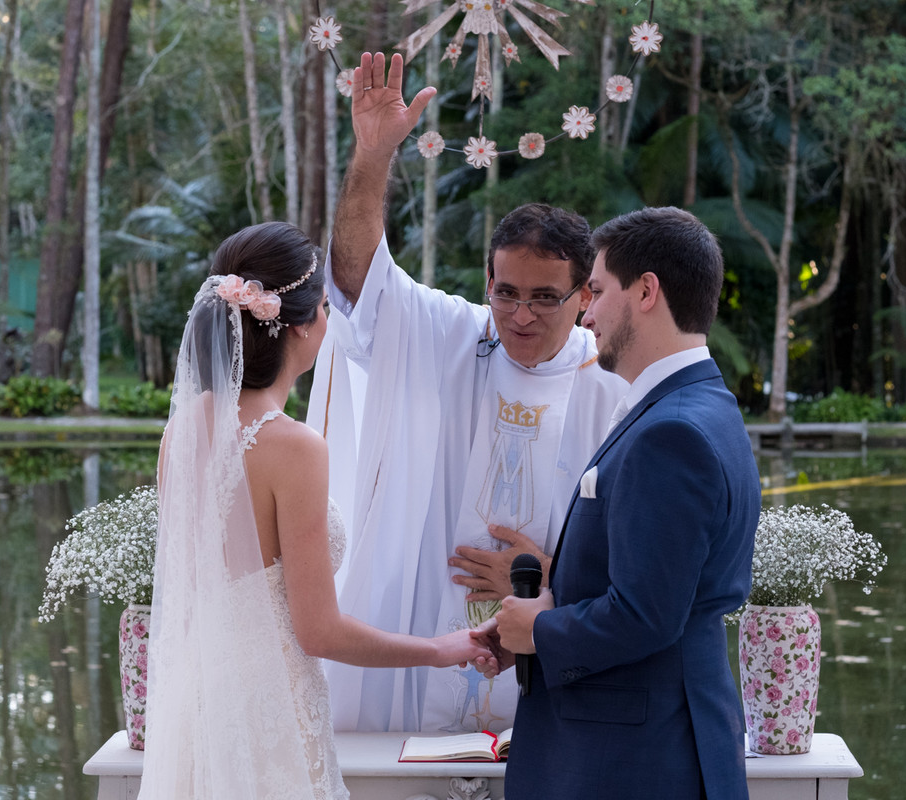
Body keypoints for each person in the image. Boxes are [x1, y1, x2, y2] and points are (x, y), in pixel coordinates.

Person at [307, 52, 627, 734]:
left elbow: (642, 563)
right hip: (428, 629)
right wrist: (371, 155)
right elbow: (360, 275)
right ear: (487, 284)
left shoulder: (610, 385)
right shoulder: (453, 334)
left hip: (552, 662)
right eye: (506, 293)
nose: (520, 315)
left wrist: (552, 574)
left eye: (546, 298)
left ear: (584, 296)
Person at [137, 222, 493, 800]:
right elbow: (318, 631)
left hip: (199, 706)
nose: (329, 318)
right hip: (267, 712)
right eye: (326, 304)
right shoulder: (294, 447)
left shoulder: (182, 430)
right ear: (300, 324)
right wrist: (440, 649)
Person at [478, 206, 761, 799]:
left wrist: (543, 630)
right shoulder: (703, 405)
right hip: (657, 736)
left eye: (599, 291)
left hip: (637, 759)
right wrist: (548, 608)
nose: (589, 310)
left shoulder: (671, 432)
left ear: (647, 291)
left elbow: (646, 614)